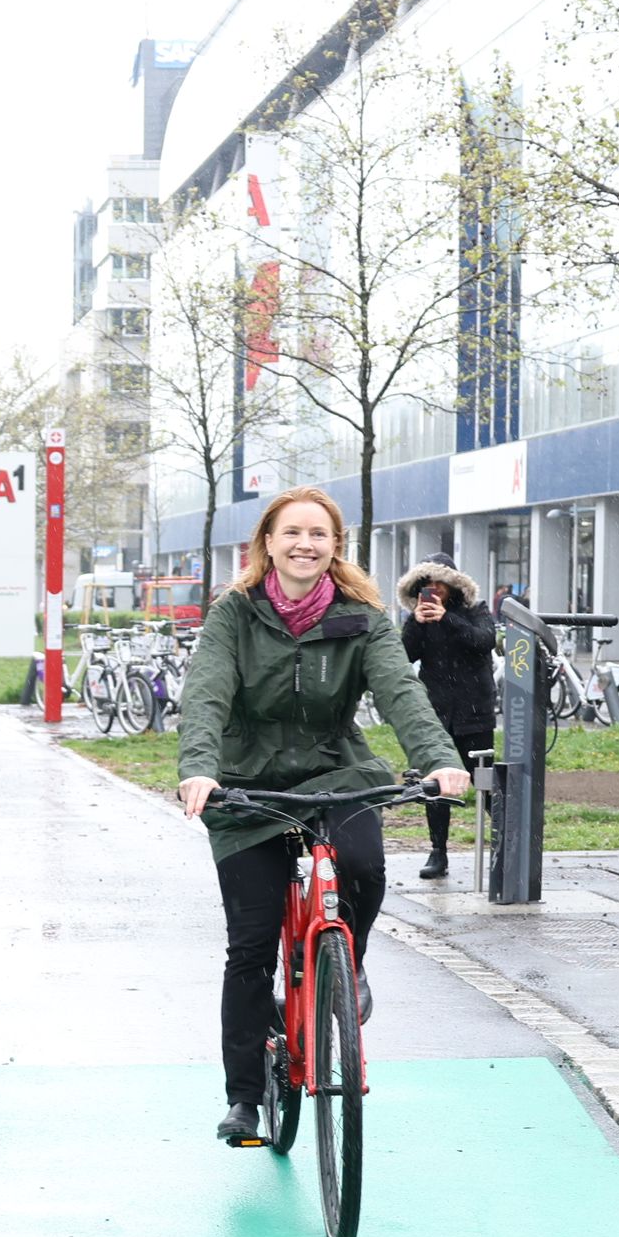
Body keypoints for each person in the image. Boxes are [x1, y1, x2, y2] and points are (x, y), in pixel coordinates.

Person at [178, 487, 469, 1149]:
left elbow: (402, 693)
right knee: (250, 948)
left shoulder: (361, 618)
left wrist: (438, 759)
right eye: (293, 533)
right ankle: (246, 1097)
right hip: (247, 787)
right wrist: (200, 767)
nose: (305, 544)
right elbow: (207, 692)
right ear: (268, 543)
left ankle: (346, 963)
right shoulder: (234, 616)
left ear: (335, 545)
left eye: (319, 533)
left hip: (336, 773)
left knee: (364, 863)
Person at [394, 560, 496, 883]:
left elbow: (484, 641)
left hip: (474, 714)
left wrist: (447, 619)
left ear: (453, 585)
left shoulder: (474, 611)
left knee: (486, 783)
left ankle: (507, 844)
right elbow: (403, 655)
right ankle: (438, 851)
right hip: (436, 715)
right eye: (427, 583)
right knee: (435, 786)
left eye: (439, 583)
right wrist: (415, 621)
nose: (434, 589)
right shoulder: (420, 619)